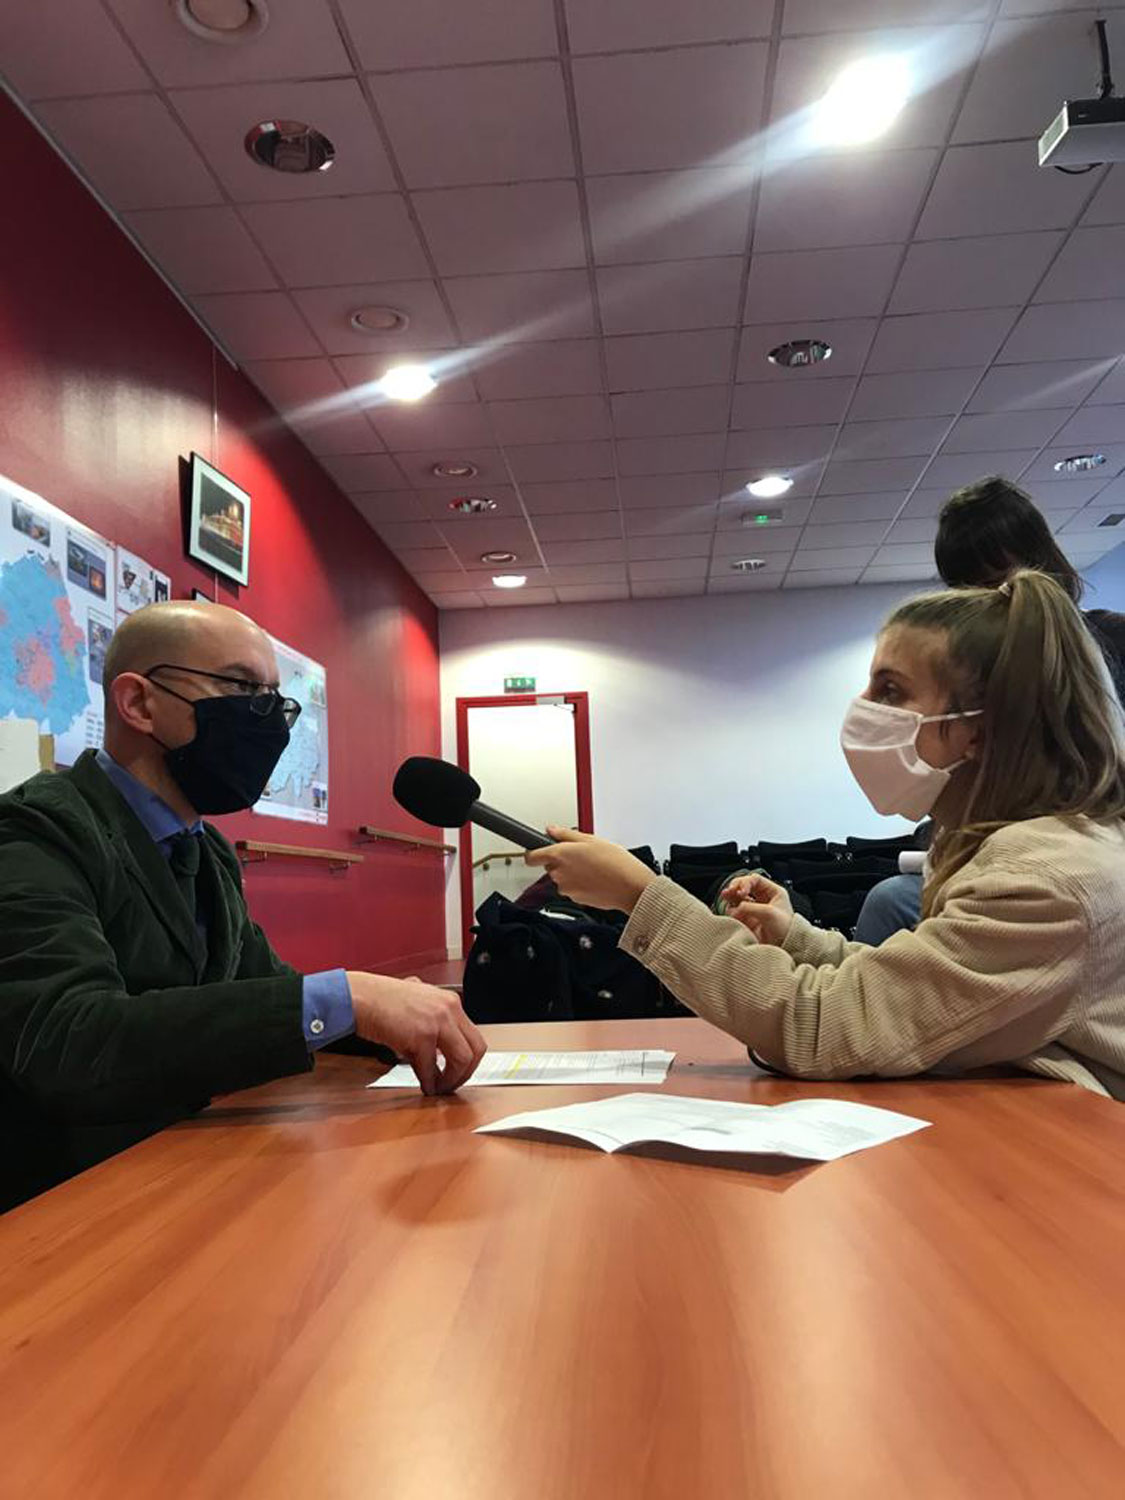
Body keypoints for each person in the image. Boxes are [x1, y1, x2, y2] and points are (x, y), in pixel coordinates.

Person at [526, 572, 1125, 1098]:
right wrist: (798, 940)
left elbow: (827, 1027)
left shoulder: (1043, 881)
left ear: (978, 733)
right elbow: (914, 989)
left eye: (890, 690)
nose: (862, 707)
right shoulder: (1007, 848)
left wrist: (641, 898)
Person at [0, 601, 485, 1211]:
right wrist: (349, 997)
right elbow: (68, 1041)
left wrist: (394, 1020)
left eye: (276, 698)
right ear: (139, 703)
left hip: (179, 1179)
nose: (271, 722)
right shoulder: (32, 833)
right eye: (241, 687)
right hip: (59, 1213)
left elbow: (267, 991)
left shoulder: (207, 853)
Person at [853, 476, 1125, 944]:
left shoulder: (1106, 646)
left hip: (1063, 863)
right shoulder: (981, 670)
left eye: (893, 691)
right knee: (892, 899)